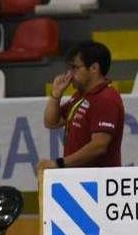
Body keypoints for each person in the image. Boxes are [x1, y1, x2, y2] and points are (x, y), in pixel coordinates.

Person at [39, 41, 124, 170]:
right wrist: (56, 95)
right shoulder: (80, 95)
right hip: (81, 177)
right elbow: (51, 122)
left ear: (94, 68)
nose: (70, 74)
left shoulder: (105, 98)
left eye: (75, 68)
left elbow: (99, 146)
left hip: (97, 180)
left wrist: (59, 163)